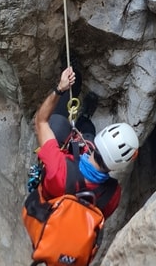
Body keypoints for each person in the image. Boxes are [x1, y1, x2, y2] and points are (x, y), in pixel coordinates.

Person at [32, 66, 139, 219]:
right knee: (87, 130)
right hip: (65, 222)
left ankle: (74, 89)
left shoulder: (58, 169)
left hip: (54, 189)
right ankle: (86, 116)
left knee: (58, 124)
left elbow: (41, 121)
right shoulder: (112, 194)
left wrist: (60, 89)